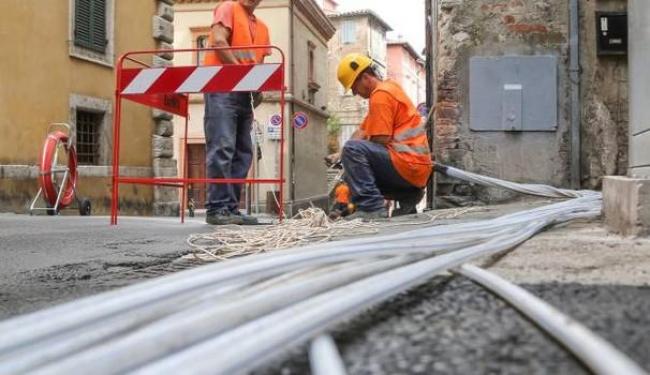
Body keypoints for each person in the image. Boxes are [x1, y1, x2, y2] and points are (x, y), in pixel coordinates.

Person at [329, 53, 433, 220]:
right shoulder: (389, 88)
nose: (355, 93)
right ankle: (407, 196)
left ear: (365, 77)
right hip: (415, 170)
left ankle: (371, 208)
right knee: (351, 156)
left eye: (354, 87)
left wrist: (348, 153)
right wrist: (340, 154)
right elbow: (361, 133)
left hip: (407, 165)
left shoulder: (381, 96)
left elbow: (381, 139)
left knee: (353, 153)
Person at [203, 0, 270, 225]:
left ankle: (230, 208)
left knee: (243, 151)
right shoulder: (228, 8)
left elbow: (258, 63)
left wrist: (257, 87)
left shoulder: (263, 28)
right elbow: (218, 42)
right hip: (222, 86)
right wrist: (244, 78)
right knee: (223, 146)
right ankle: (217, 208)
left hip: (244, 94)